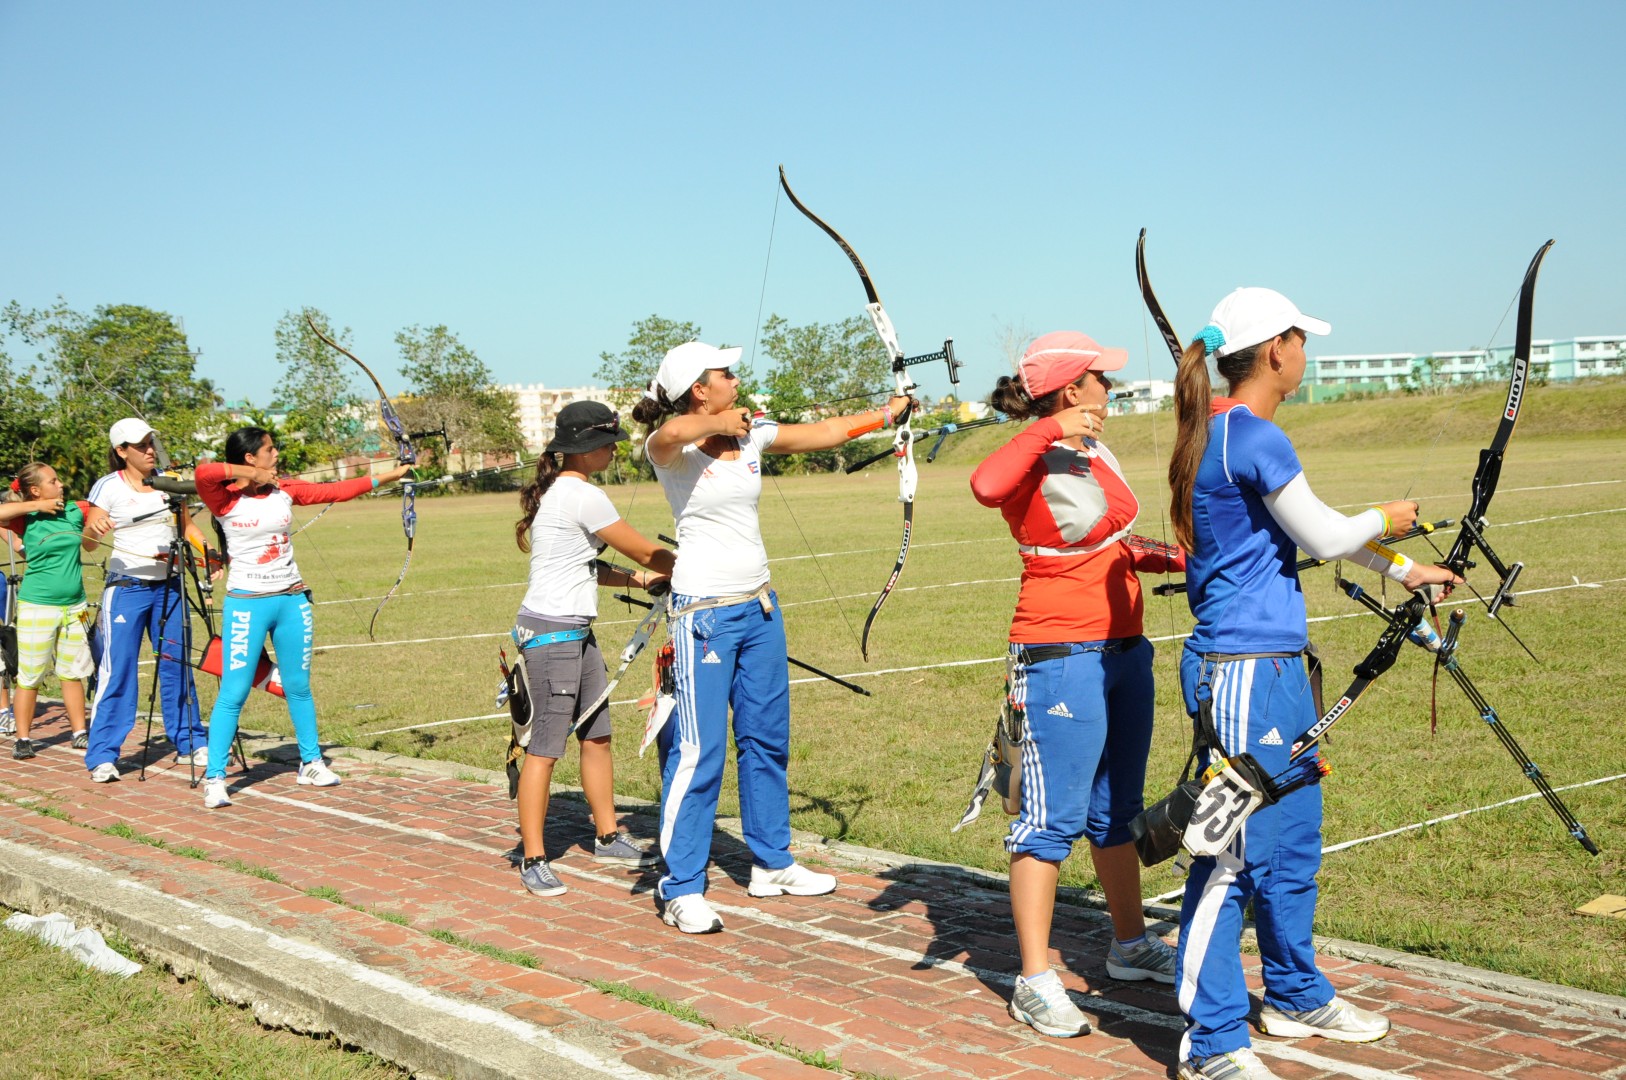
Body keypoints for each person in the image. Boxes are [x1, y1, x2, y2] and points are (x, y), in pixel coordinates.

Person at [1166, 289, 1460, 1080]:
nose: (1307, 353)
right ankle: (1212, 1041)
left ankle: (1295, 993)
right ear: (1275, 351)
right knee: (1228, 856)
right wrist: (1388, 516)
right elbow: (1332, 534)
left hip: (1275, 672)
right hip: (1241, 676)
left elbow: (1308, 532)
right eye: (1301, 340)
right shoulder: (1249, 434)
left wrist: (1405, 568)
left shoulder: (1226, 433)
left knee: (1292, 845)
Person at [632, 340, 911, 934]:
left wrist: (886, 414)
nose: (736, 379)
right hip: (703, 615)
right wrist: (710, 422)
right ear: (699, 389)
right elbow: (668, 432)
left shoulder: (750, 435)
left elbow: (829, 432)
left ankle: (772, 863)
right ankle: (680, 884)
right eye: (724, 373)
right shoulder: (670, 450)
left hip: (759, 608)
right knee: (698, 752)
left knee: (765, 740)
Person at [969, 331, 1188, 1038]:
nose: (1111, 390)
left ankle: (1129, 945)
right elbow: (984, 485)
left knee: (1117, 811)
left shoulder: (1093, 449)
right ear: (1071, 391)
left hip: (1122, 650)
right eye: (1102, 379)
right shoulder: (1038, 449)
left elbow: (1112, 543)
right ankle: (1034, 980)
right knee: (1048, 822)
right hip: (1059, 654)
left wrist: (1177, 558)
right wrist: (1049, 429)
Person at [191, 426, 412, 809]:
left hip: (292, 601)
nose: (276, 456)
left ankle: (311, 762)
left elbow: (335, 491)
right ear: (250, 458)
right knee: (234, 692)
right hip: (248, 603)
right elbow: (202, 474)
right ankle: (214, 777)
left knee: (298, 685)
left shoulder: (284, 490)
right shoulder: (223, 498)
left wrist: (389, 475)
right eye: (270, 451)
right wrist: (248, 477)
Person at [510, 400, 676, 897]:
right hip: (551, 637)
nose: (612, 450)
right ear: (586, 449)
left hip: (574, 635)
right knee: (542, 750)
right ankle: (533, 857)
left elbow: (588, 567)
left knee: (597, 735)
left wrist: (644, 579)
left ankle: (606, 835)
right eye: (608, 443)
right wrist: (683, 566)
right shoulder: (583, 495)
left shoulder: (564, 492)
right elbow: (644, 548)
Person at [80, 418, 214, 782]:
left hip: (169, 587)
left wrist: (209, 557)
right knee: (116, 669)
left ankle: (191, 740)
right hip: (126, 589)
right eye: (140, 445)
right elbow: (89, 542)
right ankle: (103, 754)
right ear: (122, 451)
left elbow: (187, 528)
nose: (150, 450)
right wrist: (92, 531)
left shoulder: (168, 483)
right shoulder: (107, 487)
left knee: (177, 665)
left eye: (151, 442)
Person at [0, 464, 92, 760]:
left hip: (75, 605)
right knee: (30, 675)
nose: (62, 484)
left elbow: (103, 510)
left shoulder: (75, 511)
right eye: (54, 481)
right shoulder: (26, 517)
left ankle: (79, 732)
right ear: (37, 490)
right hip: (37, 607)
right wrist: (19, 539)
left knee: (72, 671)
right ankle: (24, 739)